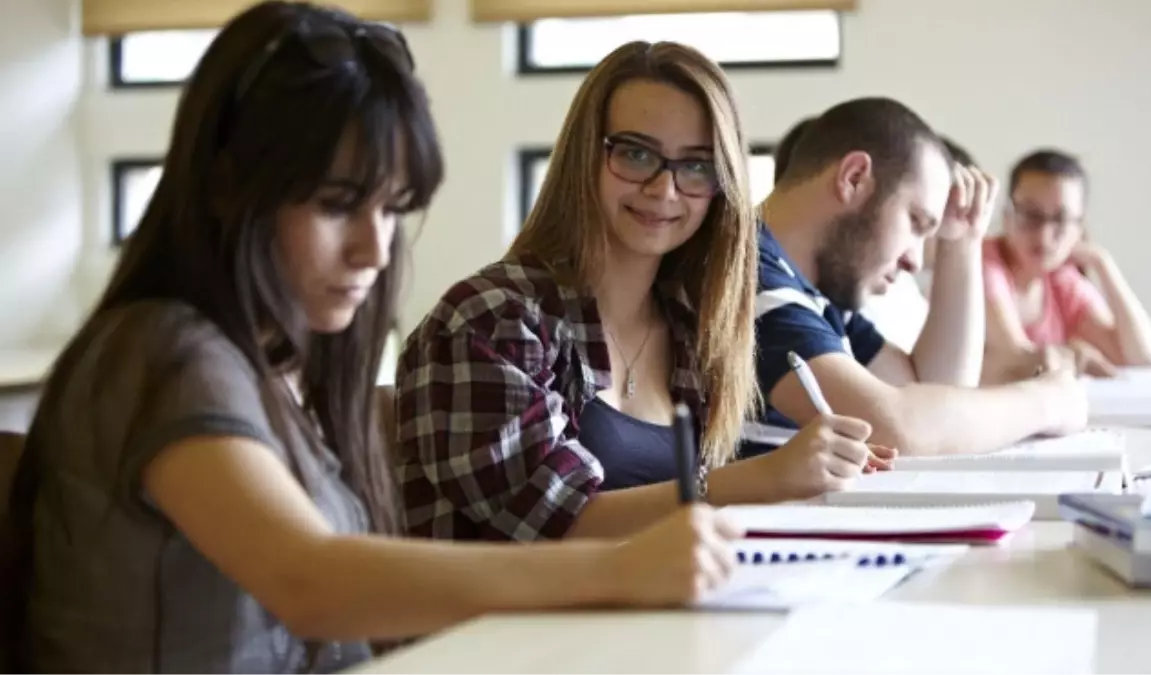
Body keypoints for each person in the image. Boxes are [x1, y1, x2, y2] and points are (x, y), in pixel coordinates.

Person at [8, 5, 748, 673]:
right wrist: (617, 569)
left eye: (393, 209)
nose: (374, 249)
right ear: (229, 185)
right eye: (338, 204)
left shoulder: (268, 368)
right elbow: (312, 581)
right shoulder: (162, 351)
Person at [397, 41, 875, 543]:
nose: (664, 190)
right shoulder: (490, 320)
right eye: (635, 153)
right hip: (508, 621)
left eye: (695, 166)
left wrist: (819, 469)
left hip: (665, 617)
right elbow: (554, 525)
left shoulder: (692, 329)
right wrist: (764, 478)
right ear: (585, 155)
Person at [749, 97, 1089, 458]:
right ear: (854, 178)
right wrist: (1046, 402)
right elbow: (893, 428)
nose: (913, 259)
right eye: (915, 222)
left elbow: (938, 390)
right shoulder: (748, 273)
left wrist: (961, 241)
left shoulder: (812, 292)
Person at [981, 149, 1151, 381]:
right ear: (1008, 215)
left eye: (1061, 219)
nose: (1045, 235)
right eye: (1031, 215)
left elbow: (1145, 361)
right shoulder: (983, 260)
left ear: (1079, 227)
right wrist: (1074, 356)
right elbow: (1018, 360)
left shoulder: (1061, 281)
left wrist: (1103, 263)